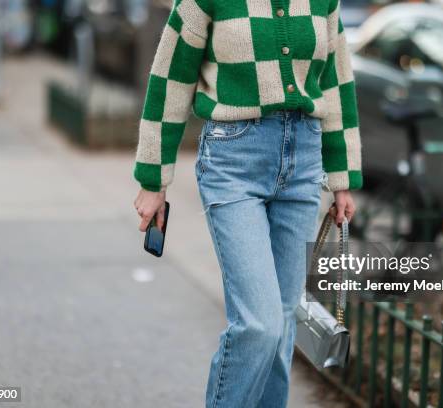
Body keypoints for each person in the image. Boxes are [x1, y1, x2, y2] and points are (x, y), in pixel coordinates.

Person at [133, 0, 362, 406]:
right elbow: (171, 78)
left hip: (305, 164)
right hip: (233, 161)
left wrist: (342, 179)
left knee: (283, 321)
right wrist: (154, 178)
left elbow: (336, 81)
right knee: (260, 325)